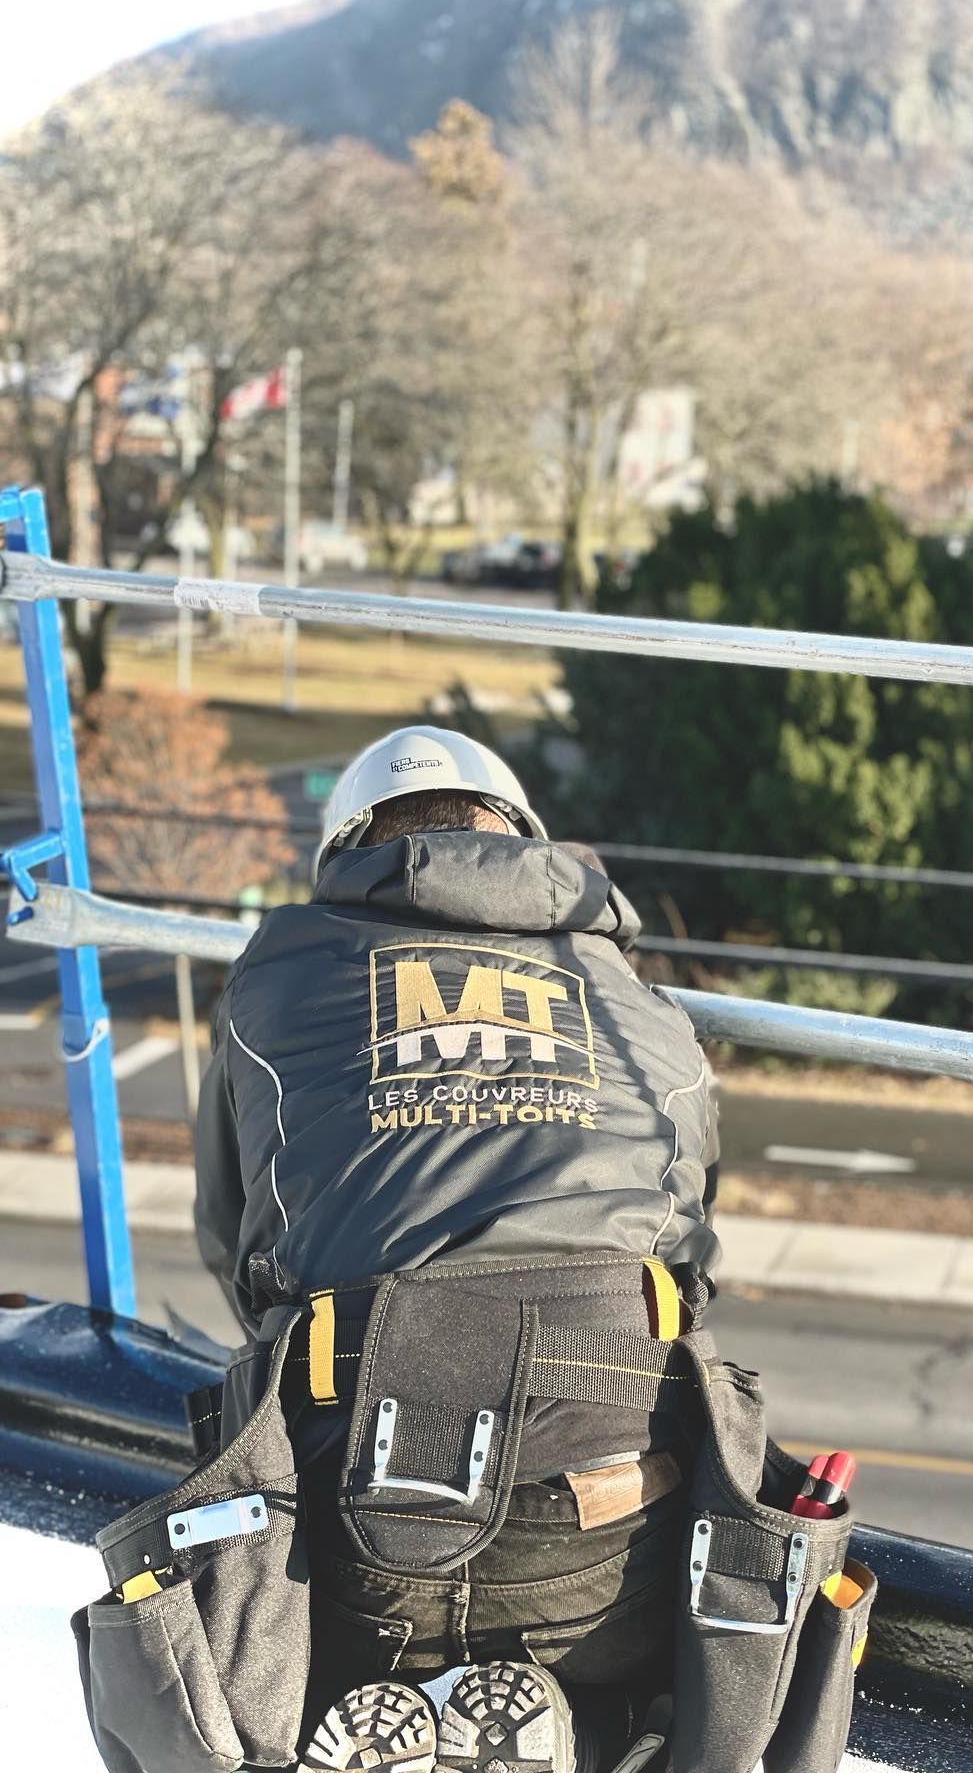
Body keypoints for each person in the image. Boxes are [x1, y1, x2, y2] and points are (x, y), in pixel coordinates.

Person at [194, 727, 720, 1773]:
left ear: (350, 848)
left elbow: (235, 1246)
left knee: (312, 1619)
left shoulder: (277, 981)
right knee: (621, 1640)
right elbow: (689, 1262)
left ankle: (383, 1695)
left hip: (366, 1518)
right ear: (523, 838)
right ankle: (598, 1727)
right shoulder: (643, 1013)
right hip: (612, 1525)